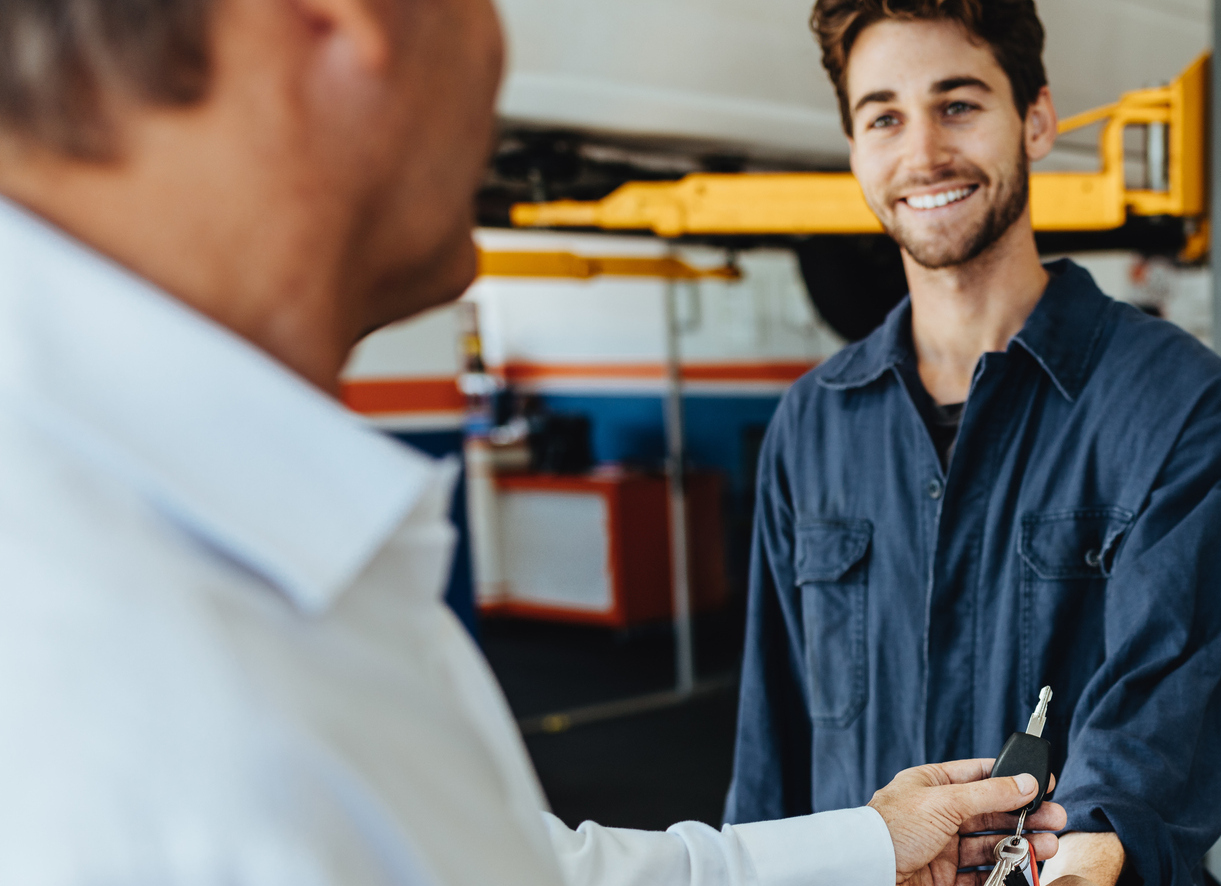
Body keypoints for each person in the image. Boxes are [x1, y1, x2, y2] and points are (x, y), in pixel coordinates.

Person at [0, 1, 1062, 884]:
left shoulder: (164, 552)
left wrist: (869, 843)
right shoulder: (124, 675)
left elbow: (521, 870)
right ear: (344, 18)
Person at [725, 2, 1221, 885]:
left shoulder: (1180, 404)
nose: (923, 152)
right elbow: (771, 733)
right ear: (855, 147)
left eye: (959, 103)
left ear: (1037, 119)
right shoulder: (812, 423)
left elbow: (1167, 694)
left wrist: (1092, 844)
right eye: (884, 117)